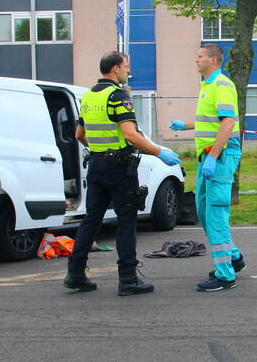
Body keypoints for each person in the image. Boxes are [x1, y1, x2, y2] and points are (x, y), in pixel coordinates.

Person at [63, 51, 181, 296]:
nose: (129, 71)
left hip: (96, 164)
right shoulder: (118, 95)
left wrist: (98, 151)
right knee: (126, 222)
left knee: (91, 220)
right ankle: (128, 280)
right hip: (119, 167)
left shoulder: (88, 96)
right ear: (115, 68)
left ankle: (75, 274)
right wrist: (159, 152)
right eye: (126, 66)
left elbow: (79, 135)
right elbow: (129, 134)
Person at [168, 43, 245, 291]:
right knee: (203, 210)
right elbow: (212, 121)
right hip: (209, 155)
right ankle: (234, 258)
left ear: (213, 60)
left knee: (215, 215)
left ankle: (225, 275)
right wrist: (187, 125)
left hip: (218, 156)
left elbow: (228, 122)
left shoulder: (222, 84)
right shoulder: (207, 86)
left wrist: (214, 155)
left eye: (200, 56)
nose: (196, 60)